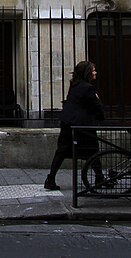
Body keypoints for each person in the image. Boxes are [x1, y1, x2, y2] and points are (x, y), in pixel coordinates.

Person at [44, 60, 105, 191]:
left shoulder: (75, 85)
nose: (95, 72)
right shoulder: (88, 88)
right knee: (93, 150)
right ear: (88, 72)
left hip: (67, 122)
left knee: (62, 150)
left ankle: (51, 178)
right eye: (93, 70)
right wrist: (98, 102)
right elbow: (96, 106)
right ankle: (100, 177)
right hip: (81, 126)